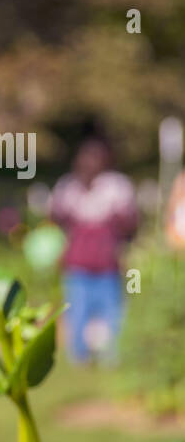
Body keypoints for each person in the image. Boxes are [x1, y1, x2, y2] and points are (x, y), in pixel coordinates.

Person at [49, 136, 138, 364]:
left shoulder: (116, 187)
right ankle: (79, 359)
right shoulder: (67, 187)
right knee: (76, 313)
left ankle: (112, 359)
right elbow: (56, 219)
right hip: (77, 265)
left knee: (113, 314)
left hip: (108, 265)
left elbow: (130, 223)